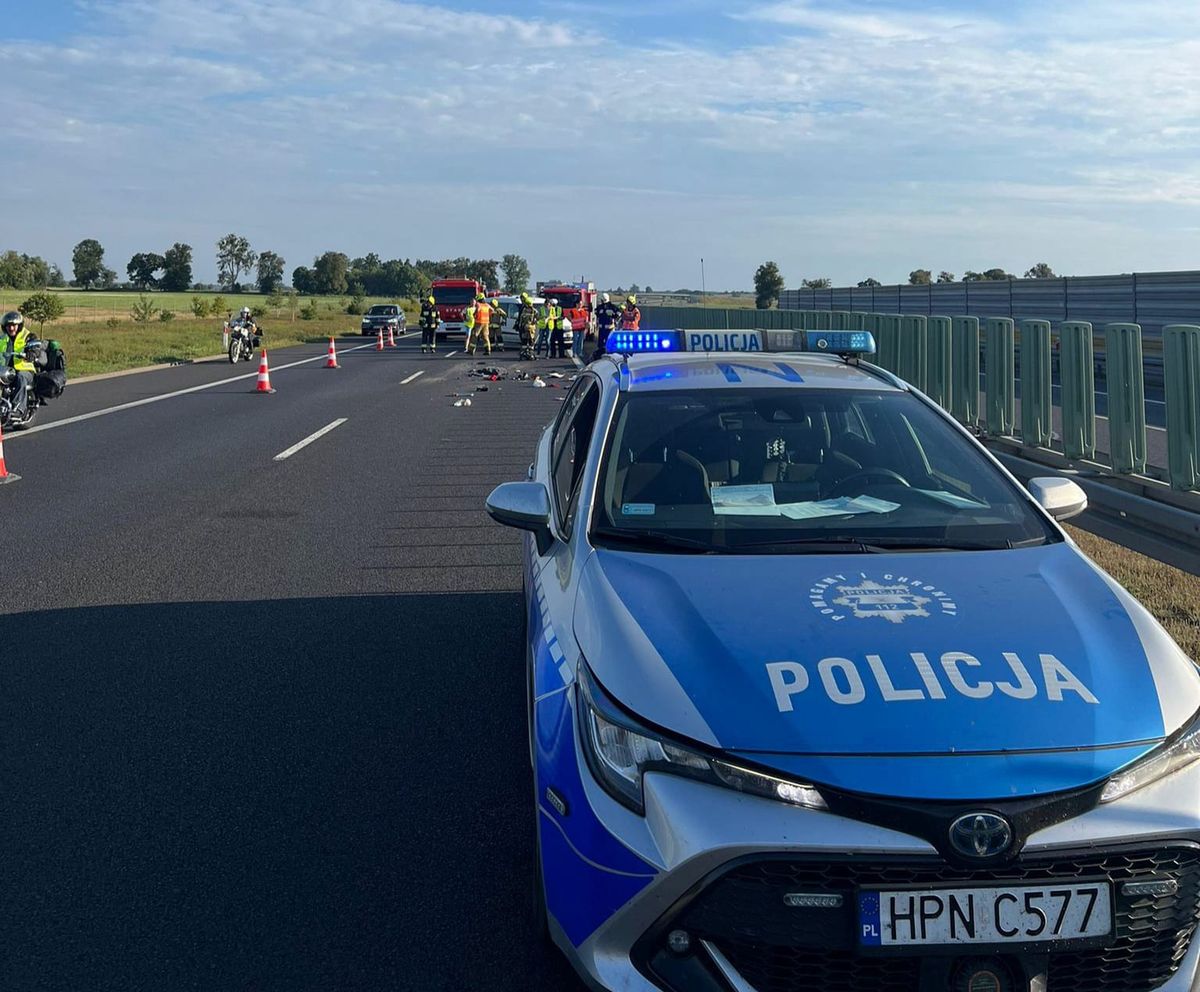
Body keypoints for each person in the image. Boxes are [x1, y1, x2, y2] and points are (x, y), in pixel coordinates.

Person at [2, 311, 37, 418]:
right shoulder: (2, 339)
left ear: (19, 325)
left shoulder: (28, 336)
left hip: (25, 370)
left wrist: (31, 353)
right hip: (6, 370)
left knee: (20, 377)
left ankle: (18, 408)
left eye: (14, 325)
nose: (11, 328)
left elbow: (36, 347)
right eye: (8, 326)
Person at [593, 292, 622, 360]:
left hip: (609, 328)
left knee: (608, 343)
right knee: (600, 344)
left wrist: (613, 316)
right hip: (601, 328)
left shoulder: (612, 307)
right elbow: (596, 312)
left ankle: (609, 356)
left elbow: (619, 314)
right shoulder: (600, 307)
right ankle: (600, 356)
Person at [515, 293, 538, 361]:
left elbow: (521, 320)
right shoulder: (534, 311)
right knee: (531, 343)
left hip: (524, 328)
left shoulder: (523, 311)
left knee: (524, 342)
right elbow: (537, 319)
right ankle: (531, 354)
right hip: (531, 329)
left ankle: (524, 354)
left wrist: (519, 326)